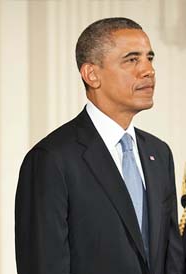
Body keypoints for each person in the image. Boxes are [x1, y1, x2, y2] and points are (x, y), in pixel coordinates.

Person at [15, 17, 183, 274]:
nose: (148, 70)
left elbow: (171, 260)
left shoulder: (159, 154)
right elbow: (44, 264)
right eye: (132, 60)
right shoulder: (52, 159)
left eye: (150, 58)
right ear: (92, 74)